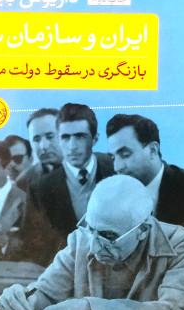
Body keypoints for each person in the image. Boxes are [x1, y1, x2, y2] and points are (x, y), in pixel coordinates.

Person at [0, 175, 184, 310]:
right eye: (90, 228)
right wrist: (23, 303)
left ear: (143, 230)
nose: (95, 247)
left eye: (108, 235)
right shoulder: (81, 240)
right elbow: (47, 293)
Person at [20, 103, 114, 266]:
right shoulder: (34, 186)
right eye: (36, 139)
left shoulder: (116, 168)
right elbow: (32, 244)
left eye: (80, 137)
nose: (72, 146)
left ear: (94, 139)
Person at [104, 113, 184, 245]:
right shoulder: (113, 194)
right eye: (113, 157)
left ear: (153, 150)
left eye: (125, 155)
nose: (117, 167)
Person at [14, 108, 64, 192]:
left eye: (50, 137)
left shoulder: (86, 171)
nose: (43, 146)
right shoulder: (23, 182)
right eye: (36, 140)